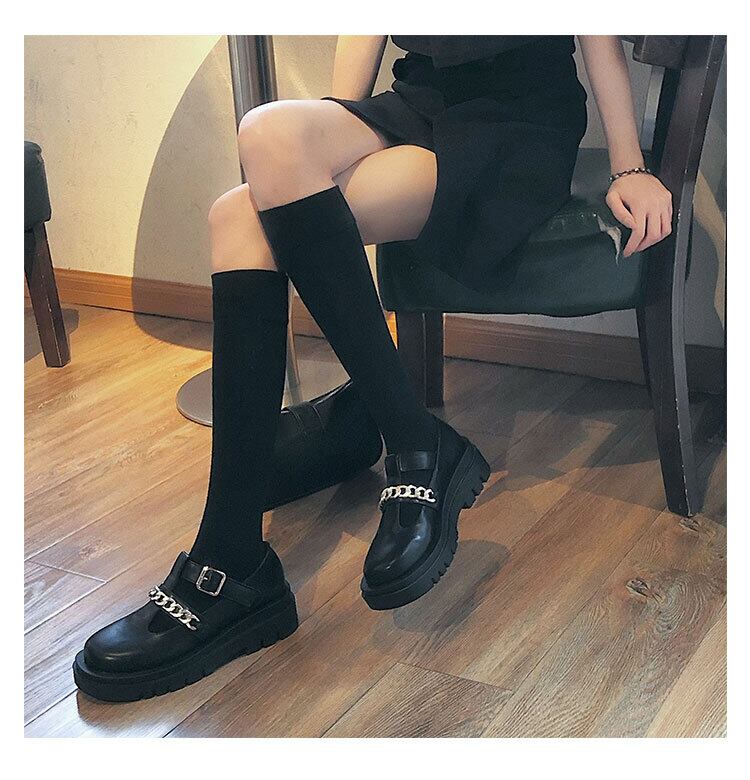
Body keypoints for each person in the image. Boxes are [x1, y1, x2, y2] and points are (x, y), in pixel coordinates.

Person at [73, 35, 673, 702]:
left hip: (516, 123)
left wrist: (628, 164)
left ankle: (231, 562)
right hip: (418, 102)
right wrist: (315, 157)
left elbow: (595, 31)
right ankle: (408, 443)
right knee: (266, 140)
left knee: (240, 217)